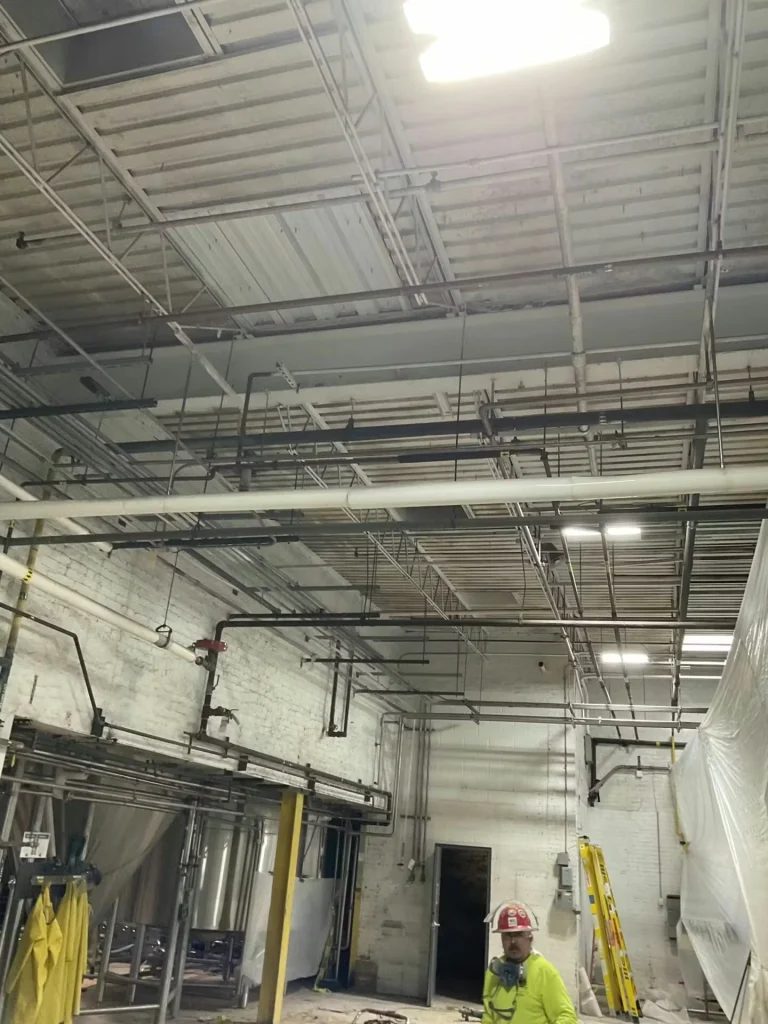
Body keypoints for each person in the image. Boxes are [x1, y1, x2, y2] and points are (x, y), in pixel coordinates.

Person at [482, 902, 578, 1024]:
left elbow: (567, 1017)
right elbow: (488, 1017)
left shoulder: (544, 971)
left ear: (530, 938)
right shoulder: (494, 973)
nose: (513, 942)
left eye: (518, 935)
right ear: (501, 938)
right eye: (507, 935)